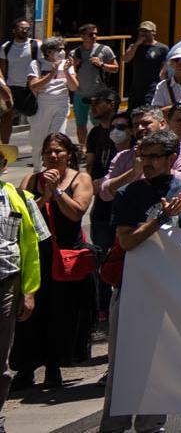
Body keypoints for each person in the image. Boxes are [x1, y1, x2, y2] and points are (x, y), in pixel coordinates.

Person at [100, 130, 181, 433]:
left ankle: (151, 425)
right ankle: (114, 426)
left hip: (173, 291)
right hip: (133, 289)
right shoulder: (130, 194)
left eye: (153, 157)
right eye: (143, 156)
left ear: (171, 158)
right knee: (124, 363)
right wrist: (159, 220)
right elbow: (126, 241)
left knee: (161, 362)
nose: (146, 163)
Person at [16, 134, 88, 390]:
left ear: (69, 153)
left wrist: (57, 192)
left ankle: (54, 367)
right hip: (37, 254)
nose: (53, 156)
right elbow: (22, 214)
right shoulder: (31, 179)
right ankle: (26, 369)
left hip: (65, 256)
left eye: (58, 151)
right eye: (48, 152)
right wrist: (44, 196)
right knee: (29, 314)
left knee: (60, 313)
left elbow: (76, 212)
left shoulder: (80, 179)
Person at [0, 150, 51, 427]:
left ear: (4, 165)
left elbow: (32, 248)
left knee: (1, 361)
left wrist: (29, 292)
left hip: (7, 285)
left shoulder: (19, 198)